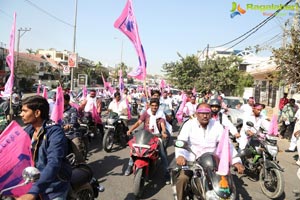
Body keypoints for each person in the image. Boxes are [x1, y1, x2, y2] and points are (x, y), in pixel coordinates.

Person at [175, 103, 244, 200]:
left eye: (207, 113)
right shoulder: (189, 124)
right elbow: (181, 142)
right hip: (193, 162)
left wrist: (236, 161)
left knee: (226, 184)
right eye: (201, 113)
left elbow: (226, 145)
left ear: (211, 114)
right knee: (183, 179)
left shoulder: (217, 126)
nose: (204, 116)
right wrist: (180, 156)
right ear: (196, 114)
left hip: (212, 163)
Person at [17, 95, 72, 200]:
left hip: (53, 186)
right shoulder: (28, 130)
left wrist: (34, 191)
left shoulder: (55, 132)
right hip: (30, 181)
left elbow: (54, 163)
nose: (21, 114)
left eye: (25, 111)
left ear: (37, 113)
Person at [126, 98, 170, 183]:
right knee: (135, 151)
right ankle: (129, 166)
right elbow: (138, 122)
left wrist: (164, 132)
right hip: (145, 136)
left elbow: (163, 125)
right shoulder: (146, 113)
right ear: (150, 106)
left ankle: (166, 173)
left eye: (156, 106)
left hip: (156, 137)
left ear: (158, 106)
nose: (154, 107)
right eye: (152, 105)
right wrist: (130, 130)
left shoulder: (160, 115)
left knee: (163, 155)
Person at [63, 93, 85, 163]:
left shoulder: (72, 109)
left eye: (62, 100)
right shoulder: (56, 109)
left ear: (67, 100)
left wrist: (70, 125)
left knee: (77, 148)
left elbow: (74, 119)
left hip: (72, 133)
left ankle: (82, 164)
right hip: (60, 133)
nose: (61, 102)